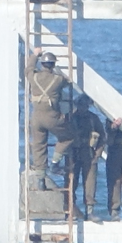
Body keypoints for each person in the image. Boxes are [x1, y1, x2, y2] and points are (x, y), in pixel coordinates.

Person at [25, 51, 70, 185]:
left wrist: (35, 55)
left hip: (36, 117)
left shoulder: (34, 77)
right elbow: (67, 82)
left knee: (39, 146)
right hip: (52, 116)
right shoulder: (58, 79)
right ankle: (55, 163)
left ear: (42, 64)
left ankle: (40, 180)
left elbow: (28, 69)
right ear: (53, 65)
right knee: (68, 137)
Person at [64, 94, 106, 218]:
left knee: (90, 182)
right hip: (73, 154)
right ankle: (69, 210)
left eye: (85, 105)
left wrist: (97, 154)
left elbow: (103, 137)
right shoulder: (70, 118)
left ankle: (90, 210)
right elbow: (63, 135)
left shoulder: (93, 119)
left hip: (89, 154)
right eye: (80, 105)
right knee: (71, 182)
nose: (83, 108)